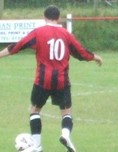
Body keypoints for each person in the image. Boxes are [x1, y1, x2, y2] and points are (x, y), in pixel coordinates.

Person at [0, 5, 102, 152]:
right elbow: (81, 52)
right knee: (66, 112)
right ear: (59, 18)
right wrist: (95, 57)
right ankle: (65, 134)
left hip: (42, 80)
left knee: (34, 110)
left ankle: (36, 146)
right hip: (62, 80)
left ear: (44, 17)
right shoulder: (66, 34)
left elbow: (16, 46)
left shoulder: (38, 32)